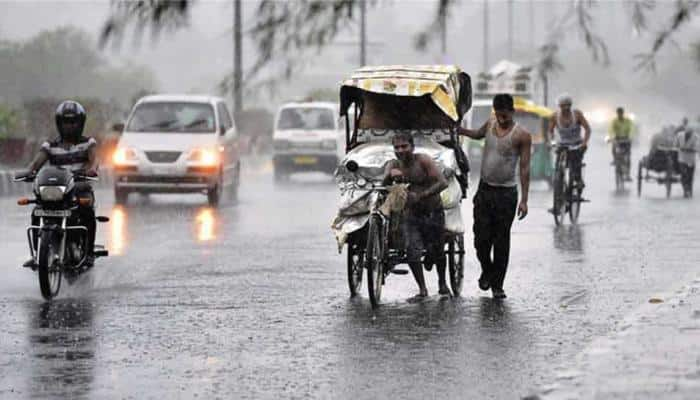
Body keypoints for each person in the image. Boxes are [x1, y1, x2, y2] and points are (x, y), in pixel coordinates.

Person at [457, 93, 531, 299]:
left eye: (505, 116)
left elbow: (525, 169)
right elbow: (477, 135)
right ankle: (487, 270)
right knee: (481, 239)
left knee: (501, 241)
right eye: (499, 115)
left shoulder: (522, 135)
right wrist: (460, 130)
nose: (501, 119)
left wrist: (524, 201)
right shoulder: (490, 122)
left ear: (512, 112)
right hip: (484, 190)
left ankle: (497, 285)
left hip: (506, 194)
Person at [22, 100, 99, 268]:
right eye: (65, 122)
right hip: (57, 190)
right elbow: (36, 163)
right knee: (37, 212)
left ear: (80, 123)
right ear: (59, 123)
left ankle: (89, 252)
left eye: (73, 122)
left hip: (79, 188)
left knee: (87, 211)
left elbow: (94, 161)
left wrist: (92, 170)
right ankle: (37, 255)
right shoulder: (50, 145)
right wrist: (29, 172)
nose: (69, 126)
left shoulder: (89, 143)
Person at [382, 132, 449, 298]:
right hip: (411, 214)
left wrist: (422, 195)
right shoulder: (393, 164)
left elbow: (442, 182)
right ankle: (422, 289)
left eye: (404, 146)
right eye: (396, 147)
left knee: (438, 251)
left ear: (412, 147)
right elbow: (383, 185)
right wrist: (390, 176)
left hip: (433, 212)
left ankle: (442, 283)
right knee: (412, 252)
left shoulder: (423, 161)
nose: (400, 150)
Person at [547, 94, 591, 188]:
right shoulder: (554, 116)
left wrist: (584, 143)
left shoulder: (577, 114)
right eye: (563, 106)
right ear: (560, 106)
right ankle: (558, 179)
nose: (566, 108)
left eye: (568, 105)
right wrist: (552, 141)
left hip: (577, 143)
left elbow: (587, 129)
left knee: (576, 162)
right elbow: (550, 131)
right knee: (559, 163)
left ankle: (578, 179)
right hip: (563, 144)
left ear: (571, 105)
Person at [609, 107, 634, 180]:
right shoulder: (614, 121)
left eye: (621, 113)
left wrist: (630, 137)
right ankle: (615, 159)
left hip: (626, 139)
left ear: (623, 113)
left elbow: (632, 129)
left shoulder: (628, 121)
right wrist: (612, 137)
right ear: (617, 114)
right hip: (617, 139)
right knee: (614, 148)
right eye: (618, 113)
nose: (620, 114)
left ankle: (628, 174)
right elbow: (611, 129)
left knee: (628, 156)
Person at [675, 125, 699, 198]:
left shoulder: (696, 137)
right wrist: (679, 147)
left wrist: (688, 149)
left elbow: (697, 147)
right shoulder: (679, 135)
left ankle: (690, 190)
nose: (688, 134)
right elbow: (675, 144)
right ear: (685, 131)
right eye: (687, 132)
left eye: (690, 133)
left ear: (692, 132)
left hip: (691, 159)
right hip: (682, 158)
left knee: (690, 176)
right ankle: (685, 190)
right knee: (684, 174)